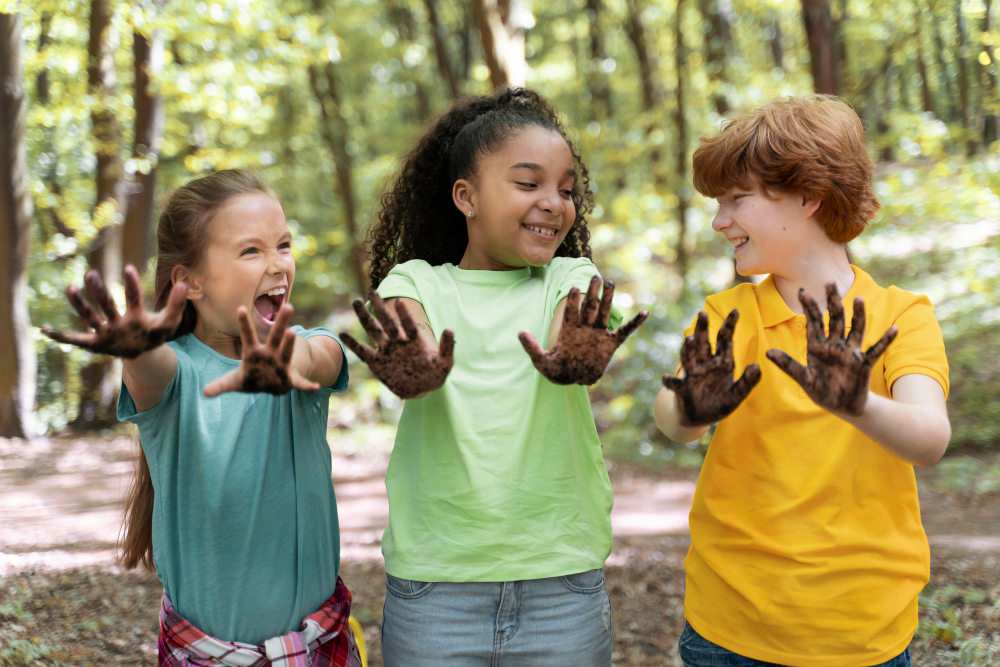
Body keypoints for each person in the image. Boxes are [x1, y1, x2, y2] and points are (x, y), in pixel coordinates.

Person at [340, 88, 647, 666]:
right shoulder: (419, 282)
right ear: (467, 196)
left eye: (565, 189)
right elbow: (412, 332)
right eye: (529, 184)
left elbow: (572, 316)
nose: (553, 203)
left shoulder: (569, 276)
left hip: (562, 586)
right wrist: (420, 370)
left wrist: (573, 352)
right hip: (437, 589)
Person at [654, 96, 951, 667]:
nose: (720, 222)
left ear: (810, 197)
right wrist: (691, 407)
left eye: (737, 199)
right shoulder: (726, 315)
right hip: (729, 629)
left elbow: (928, 437)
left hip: (863, 633)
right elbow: (673, 421)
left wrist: (856, 403)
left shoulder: (900, 315)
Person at [43, 169, 361, 666]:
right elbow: (152, 371)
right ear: (189, 281)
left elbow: (326, 356)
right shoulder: (181, 374)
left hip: (321, 647)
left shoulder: (303, 345)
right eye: (251, 251)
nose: (278, 264)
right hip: (207, 656)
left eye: (283, 244)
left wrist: (292, 360)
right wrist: (136, 350)